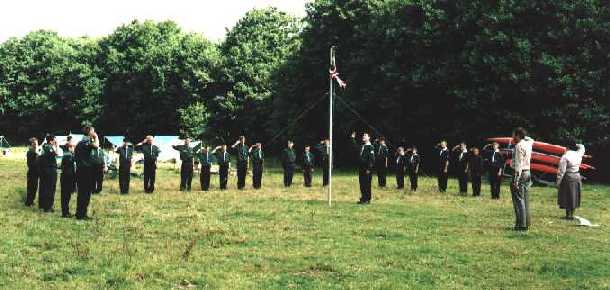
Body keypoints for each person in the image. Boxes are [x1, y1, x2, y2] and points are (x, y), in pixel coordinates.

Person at [510, 127, 534, 231]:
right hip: (528, 172)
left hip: (521, 173)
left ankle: (521, 225)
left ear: (518, 135)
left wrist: (515, 180)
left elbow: (518, 164)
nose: (512, 137)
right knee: (525, 199)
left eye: (513, 134)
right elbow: (531, 139)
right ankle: (526, 223)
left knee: (518, 199)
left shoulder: (519, 146)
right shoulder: (528, 144)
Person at [74, 126, 100, 220]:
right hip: (86, 171)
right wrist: (96, 137)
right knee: (85, 193)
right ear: (89, 133)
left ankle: (79, 213)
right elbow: (97, 146)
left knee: (81, 192)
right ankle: (82, 214)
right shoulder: (86, 142)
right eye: (93, 131)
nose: (94, 132)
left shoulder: (79, 143)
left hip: (80, 170)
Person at [556, 140, 585, 220]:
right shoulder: (579, 154)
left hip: (568, 176)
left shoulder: (565, 156)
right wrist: (576, 144)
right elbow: (582, 146)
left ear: (567, 147)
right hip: (577, 175)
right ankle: (571, 214)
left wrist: (558, 182)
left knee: (567, 195)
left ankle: (568, 215)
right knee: (574, 196)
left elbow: (561, 171)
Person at [351, 131, 375, 204]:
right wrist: (352, 139)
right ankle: (363, 198)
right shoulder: (362, 146)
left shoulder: (370, 147)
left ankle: (367, 199)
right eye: (363, 135)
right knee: (362, 184)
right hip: (361, 168)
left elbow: (372, 159)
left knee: (367, 184)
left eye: (365, 135)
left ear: (369, 137)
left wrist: (369, 169)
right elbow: (355, 147)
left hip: (367, 169)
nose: (363, 136)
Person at [38, 134, 59, 212]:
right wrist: (57, 146)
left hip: (45, 170)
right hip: (50, 170)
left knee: (44, 187)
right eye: (54, 140)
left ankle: (43, 204)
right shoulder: (49, 147)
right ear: (51, 141)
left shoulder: (44, 146)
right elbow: (56, 153)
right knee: (50, 188)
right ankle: (48, 207)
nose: (55, 141)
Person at [60, 141, 77, 217]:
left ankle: (66, 212)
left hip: (66, 177)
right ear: (69, 148)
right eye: (73, 147)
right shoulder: (68, 156)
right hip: (67, 178)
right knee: (66, 196)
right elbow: (68, 169)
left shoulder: (68, 155)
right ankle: (65, 213)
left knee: (66, 196)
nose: (74, 148)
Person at [25, 137, 41, 207]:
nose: (36, 145)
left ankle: (31, 201)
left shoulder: (35, 151)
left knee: (35, 187)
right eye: (35, 143)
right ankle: (28, 202)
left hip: (36, 172)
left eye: (37, 143)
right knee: (31, 188)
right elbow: (32, 163)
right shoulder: (30, 152)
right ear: (32, 144)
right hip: (32, 172)